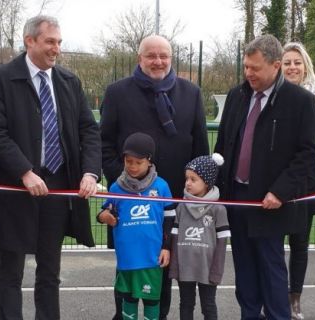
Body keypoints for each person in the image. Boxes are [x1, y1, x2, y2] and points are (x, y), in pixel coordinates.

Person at [0, 15, 101, 320]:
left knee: (49, 272)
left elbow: (89, 130)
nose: (56, 48)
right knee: (11, 273)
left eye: (59, 42)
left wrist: (89, 173)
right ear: (29, 40)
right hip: (16, 191)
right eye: (50, 41)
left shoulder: (69, 82)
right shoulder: (2, 78)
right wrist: (24, 171)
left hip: (58, 189)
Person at [100, 34, 209, 319]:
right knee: (128, 263)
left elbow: (200, 148)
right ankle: (123, 315)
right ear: (140, 58)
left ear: (171, 59)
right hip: (129, 199)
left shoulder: (191, 93)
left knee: (163, 263)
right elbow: (104, 143)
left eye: (164, 56)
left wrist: (194, 189)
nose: (158, 61)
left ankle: (157, 316)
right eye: (151, 56)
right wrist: (124, 185)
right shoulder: (117, 93)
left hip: (171, 199)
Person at [213, 34, 315, 320]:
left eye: (255, 68)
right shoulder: (237, 96)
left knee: (271, 267)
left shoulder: (302, 102)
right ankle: (249, 315)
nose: (249, 73)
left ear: (276, 66)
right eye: (246, 67)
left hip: (271, 200)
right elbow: (223, 145)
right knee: (244, 267)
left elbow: (306, 156)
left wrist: (280, 192)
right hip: (237, 198)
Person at [97, 132, 173, 320]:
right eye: (128, 161)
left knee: (151, 303)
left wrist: (166, 247)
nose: (132, 166)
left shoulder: (161, 187)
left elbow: (171, 219)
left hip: (152, 259)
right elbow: (103, 213)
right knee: (128, 300)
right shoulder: (116, 187)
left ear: (149, 160)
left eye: (138, 162)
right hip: (127, 259)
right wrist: (104, 216)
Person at [280, 41, 315, 320]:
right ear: (278, 66)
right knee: (271, 244)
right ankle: (272, 296)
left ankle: (294, 300)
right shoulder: (269, 94)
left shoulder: (312, 97)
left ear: (305, 65)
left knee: (300, 244)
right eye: (287, 62)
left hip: (304, 181)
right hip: (272, 182)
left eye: (297, 62)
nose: (292, 67)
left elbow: (309, 146)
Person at [169, 153, 230, 320]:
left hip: (208, 269)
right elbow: (174, 239)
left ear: (207, 182)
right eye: (186, 178)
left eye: (193, 179)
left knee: (208, 306)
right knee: (186, 304)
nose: (188, 183)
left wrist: (216, 272)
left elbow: (222, 244)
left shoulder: (219, 209)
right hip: (185, 268)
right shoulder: (181, 207)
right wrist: (175, 267)